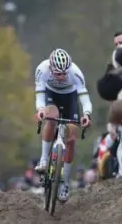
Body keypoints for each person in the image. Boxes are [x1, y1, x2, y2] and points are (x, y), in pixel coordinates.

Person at [34, 48, 92, 202]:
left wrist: (86, 114)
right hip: (51, 95)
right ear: (51, 69)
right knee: (51, 118)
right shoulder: (42, 69)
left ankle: (65, 183)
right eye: (58, 73)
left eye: (65, 73)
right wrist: (40, 110)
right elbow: (39, 93)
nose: (62, 76)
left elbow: (83, 96)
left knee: (72, 136)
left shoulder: (75, 72)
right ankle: (44, 159)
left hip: (70, 98)